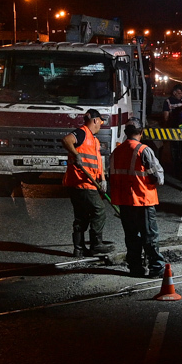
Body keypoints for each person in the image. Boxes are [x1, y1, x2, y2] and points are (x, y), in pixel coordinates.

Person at [109, 118, 167, 278]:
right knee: (150, 236)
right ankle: (156, 267)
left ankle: (135, 268)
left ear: (126, 133)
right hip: (143, 200)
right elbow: (157, 176)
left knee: (132, 237)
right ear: (141, 132)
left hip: (124, 202)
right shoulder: (143, 150)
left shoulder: (116, 152)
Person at [61, 109, 115, 256]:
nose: (101, 125)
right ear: (95, 120)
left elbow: (97, 163)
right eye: (101, 122)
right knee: (99, 211)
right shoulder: (82, 133)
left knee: (82, 215)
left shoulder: (93, 139)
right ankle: (96, 244)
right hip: (82, 182)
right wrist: (76, 154)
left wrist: (103, 180)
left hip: (84, 182)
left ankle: (78, 249)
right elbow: (66, 140)